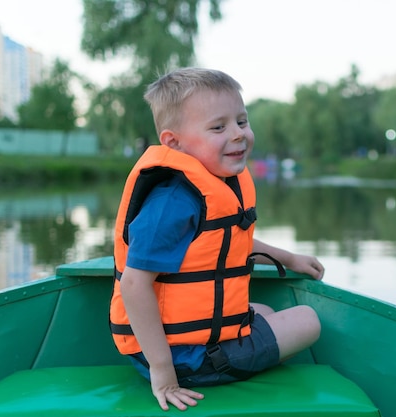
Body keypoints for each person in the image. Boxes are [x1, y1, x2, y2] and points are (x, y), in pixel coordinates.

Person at [110, 68, 324, 411]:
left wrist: (288, 257)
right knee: (308, 321)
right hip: (186, 362)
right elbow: (135, 285)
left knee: (265, 311)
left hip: (187, 349)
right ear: (173, 142)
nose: (238, 134)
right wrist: (163, 372)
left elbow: (223, 245)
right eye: (218, 127)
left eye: (242, 121)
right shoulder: (172, 203)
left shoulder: (210, 185)